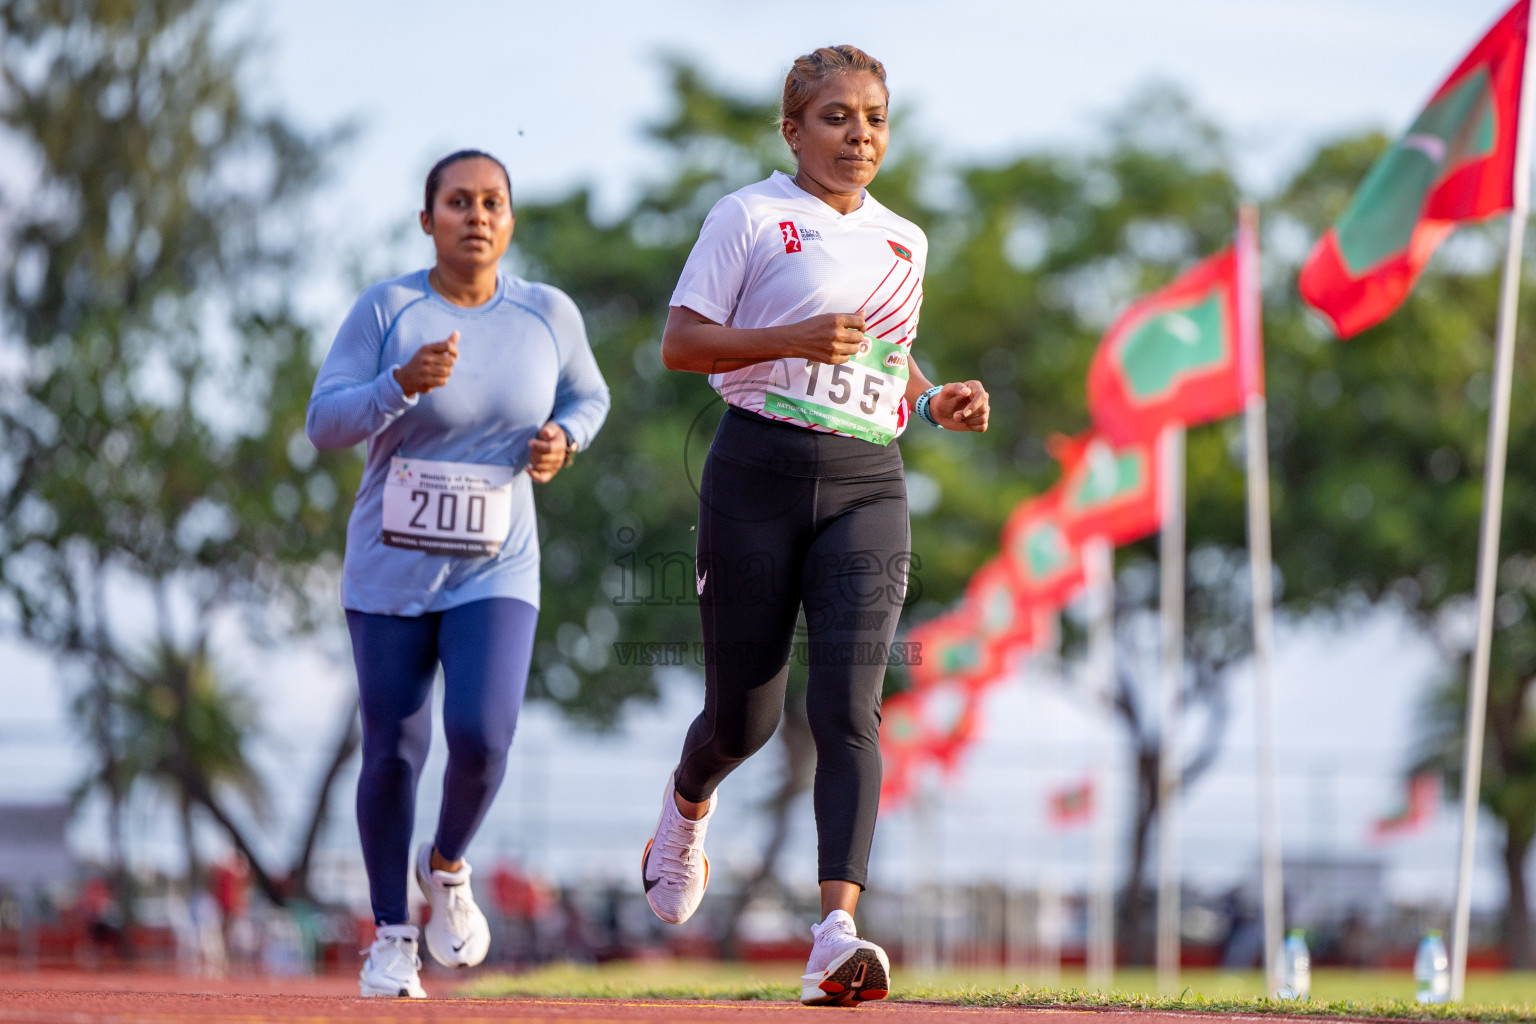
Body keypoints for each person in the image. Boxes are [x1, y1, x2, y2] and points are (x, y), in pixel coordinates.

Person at [641, 45, 990, 1006]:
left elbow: (886, 358)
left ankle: (834, 933)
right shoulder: (747, 216)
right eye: (836, 117)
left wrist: (934, 400)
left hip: (867, 485)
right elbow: (680, 342)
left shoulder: (906, 241)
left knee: (849, 710)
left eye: (874, 117)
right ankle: (685, 805)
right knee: (745, 723)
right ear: (793, 130)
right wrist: (787, 338)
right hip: (754, 470)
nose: (858, 135)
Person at [307, 149, 609, 998]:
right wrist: (398, 385)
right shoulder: (389, 309)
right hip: (390, 571)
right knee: (395, 752)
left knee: (483, 736)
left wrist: (565, 439)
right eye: (457, 202)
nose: (476, 216)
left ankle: (445, 867)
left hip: (497, 567)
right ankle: (394, 936)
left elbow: (589, 397)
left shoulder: (548, 313)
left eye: (492, 203)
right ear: (427, 218)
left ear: (510, 220)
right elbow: (324, 422)